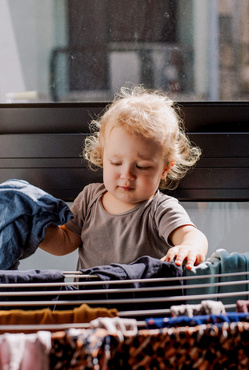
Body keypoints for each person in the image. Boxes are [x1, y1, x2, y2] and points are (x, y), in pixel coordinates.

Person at [40, 85, 208, 270]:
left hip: (137, 298)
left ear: (165, 169)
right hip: (89, 298)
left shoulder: (160, 209)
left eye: (141, 166)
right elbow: (65, 241)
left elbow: (191, 235)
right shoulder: (89, 198)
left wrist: (190, 247)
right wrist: (35, 230)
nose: (127, 175)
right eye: (116, 163)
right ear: (102, 157)